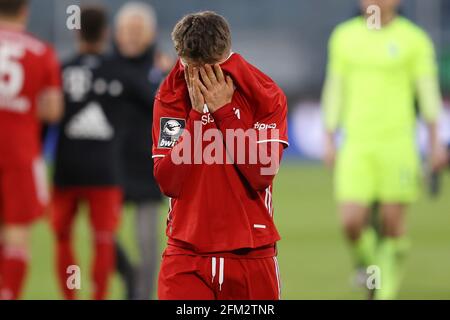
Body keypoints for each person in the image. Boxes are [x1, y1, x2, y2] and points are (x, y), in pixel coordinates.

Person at [153, 11, 288, 300]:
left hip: (250, 255)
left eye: (210, 68)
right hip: (186, 255)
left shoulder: (263, 93)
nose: (199, 77)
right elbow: (168, 182)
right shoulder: (172, 94)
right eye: (190, 67)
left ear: (223, 57)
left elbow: (262, 174)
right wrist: (196, 117)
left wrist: (224, 113)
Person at [322, 0, 448, 299]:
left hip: (398, 145)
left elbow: (427, 93)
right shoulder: (344, 37)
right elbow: (335, 88)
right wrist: (329, 135)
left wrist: (435, 143)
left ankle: (382, 292)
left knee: (392, 224)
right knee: (351, 222)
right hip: (357, 144)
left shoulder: (414, 40)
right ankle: (368, 265)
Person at [51, 6, 150, 300]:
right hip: (105, 170)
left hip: (66, 169)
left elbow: (45, 119)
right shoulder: (119, 71)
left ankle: (71, 296)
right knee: (103, 239)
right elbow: (153, 101)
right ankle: (99, 296)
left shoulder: (62, 70)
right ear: (106, 33)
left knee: (63, 238)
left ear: (76, 31)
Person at [0, 0, 63, 299]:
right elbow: (52, 109)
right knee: (16, 232)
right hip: (20, 152)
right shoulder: (40, 52)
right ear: (24, 11)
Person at [113, 2, 171, 300]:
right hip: (111, 163)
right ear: (116, 33)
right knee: (103, 235)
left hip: (149, 166)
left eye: (138, 30)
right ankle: (127, 272)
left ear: (150, 34)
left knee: (149, 243)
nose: (132, 37)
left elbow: (173, 116)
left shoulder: (162, 71)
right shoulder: (106, 66)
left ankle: (142, 296)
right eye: (127, 30)